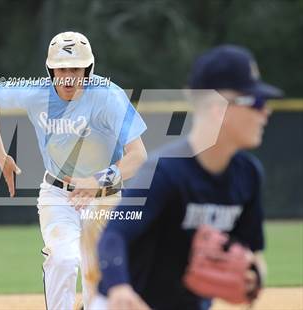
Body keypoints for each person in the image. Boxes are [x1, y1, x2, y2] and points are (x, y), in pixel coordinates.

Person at [92, 44, 283, 310]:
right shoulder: (165, 171)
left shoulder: (247, 175)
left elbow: (252, 252)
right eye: (256, 102)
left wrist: (255, 275)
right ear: (219, 108)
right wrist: (119, 287)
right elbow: (113, 236)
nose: (266, 111)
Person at [0, 31, 147, 309]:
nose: (68, 76)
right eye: (61, 68)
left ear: (88, 70)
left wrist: (96, 181)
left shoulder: (108, 96)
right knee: (63, 258)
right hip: (58, 195)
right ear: (50, 69)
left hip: (105, 197)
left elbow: (138, 155)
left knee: (98, 277)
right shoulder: (35, 92)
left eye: (76, 68)